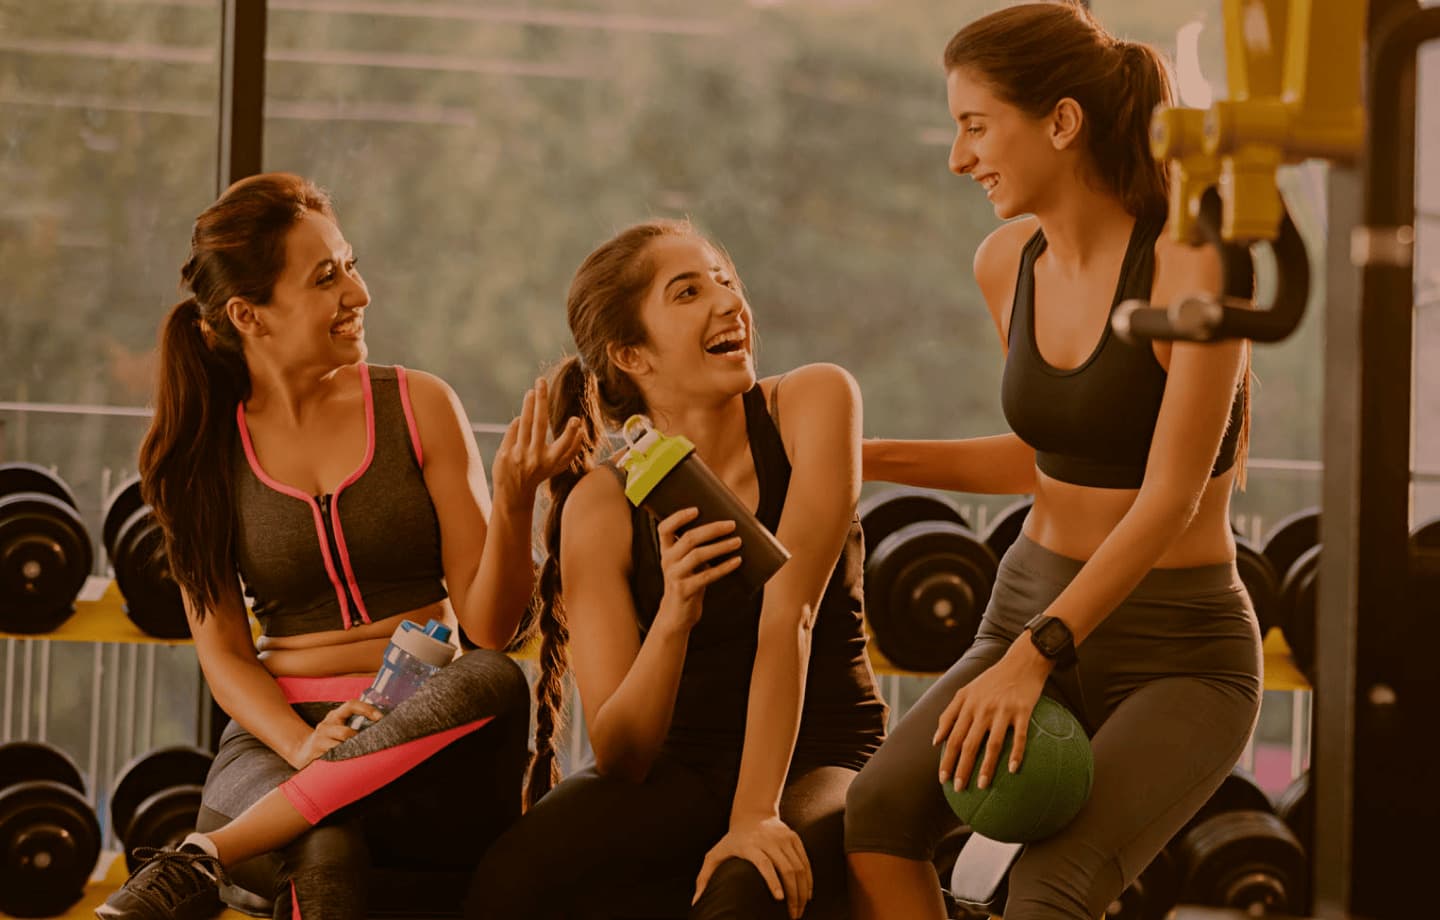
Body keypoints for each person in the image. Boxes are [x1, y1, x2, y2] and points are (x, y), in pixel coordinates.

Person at [843, 4, 1263, 918]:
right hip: (1027, 604)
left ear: (1062, 123)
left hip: (1179, 648)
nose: (960, 159)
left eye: (976, 126)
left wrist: (1037, 655)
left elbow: (1166, 496)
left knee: (1051, 885)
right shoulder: (1007, 263)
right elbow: (1051, 461)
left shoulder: (1193, 267)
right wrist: (860, 458)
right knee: (875, 814)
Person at [98, 172, 581, 920]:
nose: (358, 293)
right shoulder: (200, 454)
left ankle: (205, 856)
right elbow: (224, 655)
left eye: (350, 265)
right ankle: (267, 820)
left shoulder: (420, 406)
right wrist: (301, 746)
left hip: (429, 726)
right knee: (324, 846)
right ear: (248, 314)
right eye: (327, 277)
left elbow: (488, 630)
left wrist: (515, 500)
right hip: (277, 739)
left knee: (493, 676)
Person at [464, 219, 888, 919]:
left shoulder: (816, 401)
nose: (728, 302)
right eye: (688, 292)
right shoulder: (602, 503)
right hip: (684, 762)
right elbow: (623, 752)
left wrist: (755, 814)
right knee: (514, 880)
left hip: (822, 746)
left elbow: (790, 616)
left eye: (725, 279)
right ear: (632, 353)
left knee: (750, 891)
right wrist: (674, 615)